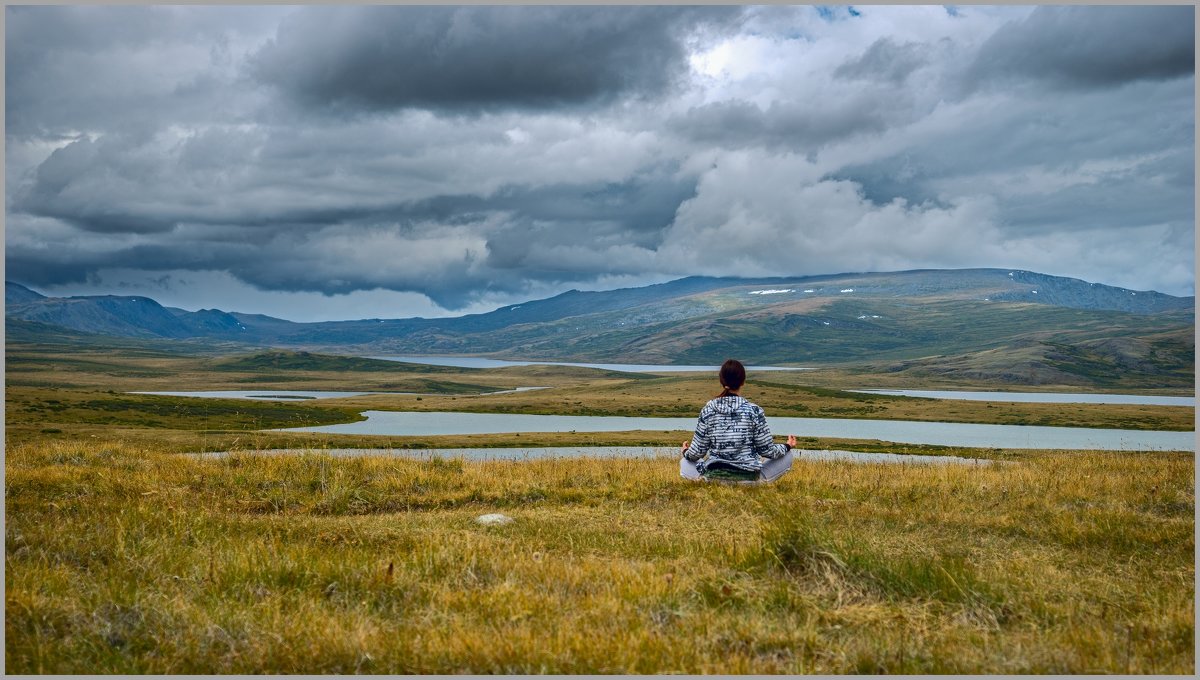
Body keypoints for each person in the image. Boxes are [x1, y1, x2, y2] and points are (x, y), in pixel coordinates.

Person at [680, 358, 798, 482]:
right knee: (787, 456)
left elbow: (696, 454)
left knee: (684, 462)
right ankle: (757, 482)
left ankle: (704, 480)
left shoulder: (707, 410)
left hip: (715, 478)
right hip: (749, 480)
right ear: (742, 381)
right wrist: (787, 446)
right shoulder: (754, 411)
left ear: (721, 380)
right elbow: (767, 450)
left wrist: (685, 452)